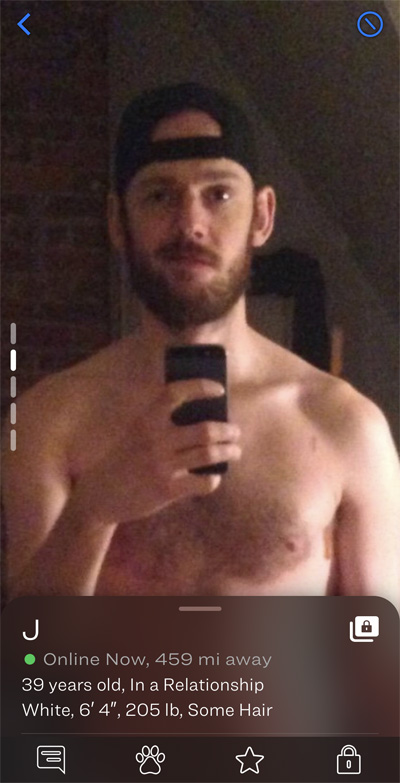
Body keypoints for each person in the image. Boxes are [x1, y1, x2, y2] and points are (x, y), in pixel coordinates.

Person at [2, 82, 399, 606]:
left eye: (219, 194)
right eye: (159, 195)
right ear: (117, 221)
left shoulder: (344, 425)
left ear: (262, 216)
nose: (190, 224)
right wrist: (94, 511)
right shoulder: (48, 421)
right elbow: (31, 649)